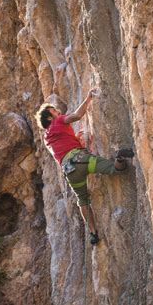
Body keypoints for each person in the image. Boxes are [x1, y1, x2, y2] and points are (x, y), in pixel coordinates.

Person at [35, 89, 134, 245]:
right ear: (49, 117)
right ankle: (120, 157)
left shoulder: (48, 137)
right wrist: (88, 99)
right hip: (82, 159)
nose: (56, 110)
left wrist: (76, 139)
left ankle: (93, 233)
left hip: (70, 172)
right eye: (53, 110)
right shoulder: (58, 121)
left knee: (82, 200)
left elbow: (62, 149)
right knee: (116, 169)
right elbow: (76, 116)